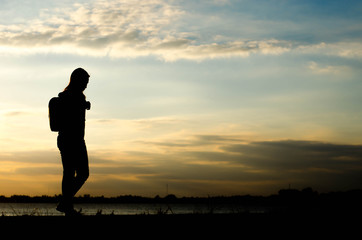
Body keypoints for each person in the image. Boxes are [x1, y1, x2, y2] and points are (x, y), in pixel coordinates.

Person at [56, 68, 91, 216]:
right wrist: (83, 105)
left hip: (68, 139)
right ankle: (66, 204)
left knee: (69, 173)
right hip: (72, 140)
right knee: (81, 173)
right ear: (78, 80)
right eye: (85, 82)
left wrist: (83, 104)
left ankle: (67, 206)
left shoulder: (72, 96)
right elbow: (71, 111)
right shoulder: (71, 96)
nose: (86, 85)